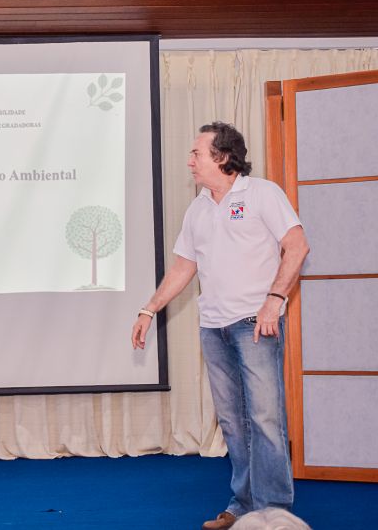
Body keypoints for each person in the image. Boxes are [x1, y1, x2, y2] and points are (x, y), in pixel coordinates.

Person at [131, 122, 310, 530]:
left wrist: (275, 300)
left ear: (223, 157)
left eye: (197, 153)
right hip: (213, 328)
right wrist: (149, 309)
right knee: (232, 422)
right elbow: (184, 266)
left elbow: (297, 246)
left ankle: (273, 513)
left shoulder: (262, 193)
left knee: (265, 419)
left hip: (255, 324)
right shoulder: (198, 208)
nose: (190, 161)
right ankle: (243, 506)